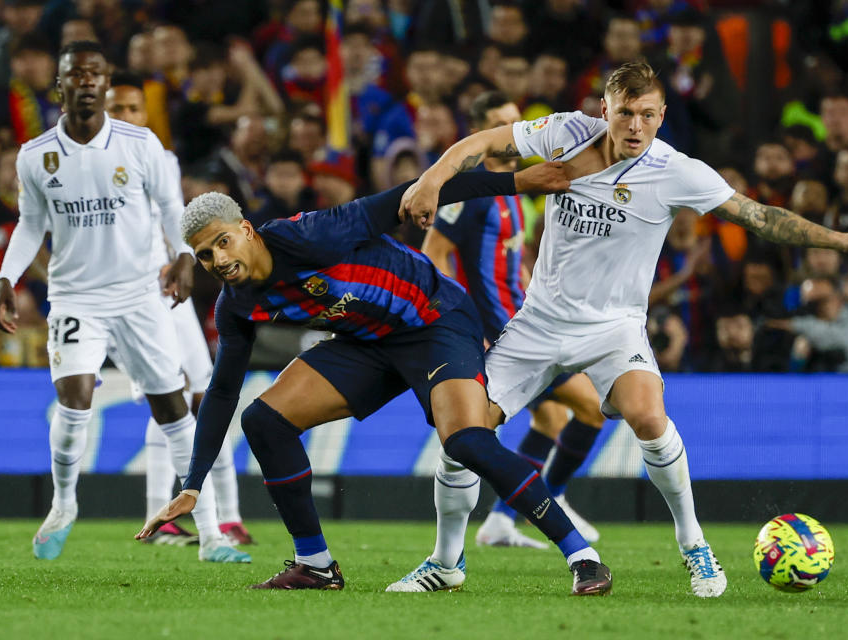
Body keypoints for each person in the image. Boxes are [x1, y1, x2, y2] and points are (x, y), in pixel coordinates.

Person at [396, 61, 848, 598]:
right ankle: (446, 563)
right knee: (462, 437)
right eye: (626, 113)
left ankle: (694, 544)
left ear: (661, 116)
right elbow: (485, 140)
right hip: (538, 324)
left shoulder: (675, 170)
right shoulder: (566, 133)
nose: (636, 126)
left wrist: (841, 243)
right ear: (605, 110)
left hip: (615, 329)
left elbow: (759, 216)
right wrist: (432, 177)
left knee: (649, 418)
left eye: (648, 115)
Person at [136, 162, 616, 597]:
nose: (217, 260)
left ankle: (582, 557)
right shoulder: (236, 304)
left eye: (223, 243)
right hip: (367, 343)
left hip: (435, 321)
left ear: (246, 230)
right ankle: (315, 566)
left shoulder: (313, 235)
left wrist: (521, 181)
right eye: (203, 256)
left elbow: (420, 191)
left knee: (466, 441)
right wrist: (193, 483)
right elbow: (222, 391)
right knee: (264, 421)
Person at [0, 41, 247, 563]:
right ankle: (64, 505)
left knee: (174, 410)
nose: (85, 82)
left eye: (94, 74)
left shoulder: (141, 144)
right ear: (59, 86)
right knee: (75, 396)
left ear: (105, 85)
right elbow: (31, 225)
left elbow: (172, 207)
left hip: (139, 296)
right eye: (74, 74)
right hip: (76, 296)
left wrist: (181, 254)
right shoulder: (35, 156)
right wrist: (4, 278)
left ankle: (213, 535)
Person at [420, 91, 605, 552]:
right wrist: (458, 323)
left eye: (515, 122)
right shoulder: (472, 190)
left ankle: (501, 520)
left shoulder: (519, 188)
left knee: (549, 420)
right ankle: (551, 497)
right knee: (589, 407)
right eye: (501, 124)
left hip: (524, 321)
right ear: (482, 134)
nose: (513, 132)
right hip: (497, 332)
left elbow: (510, 261)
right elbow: (434, 254)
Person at [105, 70, 255, 547]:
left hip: (169, 292)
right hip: (127, 298)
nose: (125, 118)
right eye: (115, 110)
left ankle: (228, 516)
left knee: (205, 393)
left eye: (132, 109)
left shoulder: (160, 158)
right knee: (165, 396)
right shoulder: (88, 165)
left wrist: (187, 262)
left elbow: (173, 218)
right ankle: (161, 518)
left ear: (146, 113)